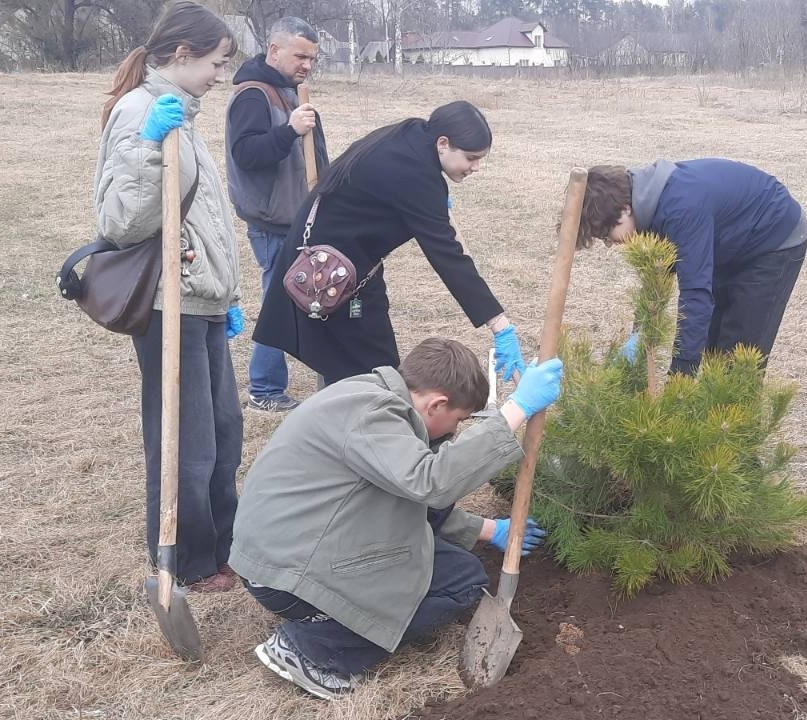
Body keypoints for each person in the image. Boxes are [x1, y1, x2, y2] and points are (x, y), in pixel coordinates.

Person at [229, 337, 562, 699]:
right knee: (455, 584)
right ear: (437, 404)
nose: (454, 433)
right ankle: (313, 649)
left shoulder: (368, 396)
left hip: (290, 553)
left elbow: (404, 502)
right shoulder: (372, 415)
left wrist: (488, 529)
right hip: (287, 577)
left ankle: (325, 618)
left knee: (457, 571)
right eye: (459, 421)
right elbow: (430, 482)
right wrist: (518, 409)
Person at [95, 1, 243, 593]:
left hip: (200, 296)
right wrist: (148, 147)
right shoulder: (141, 113)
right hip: (166, 304)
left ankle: (225, 545)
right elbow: (123, 219)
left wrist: (223, 288)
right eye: (215, 61)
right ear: (182, 55)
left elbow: (199, 212)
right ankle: (186, 562)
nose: (220, 74)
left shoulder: (183, 110)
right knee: (188, 441)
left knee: (225, 430)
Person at [253, 101, 527, 385]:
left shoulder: (412, 135)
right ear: (443, 143)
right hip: (327, 271)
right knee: (371, 371)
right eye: (471, 158)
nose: (476, 167)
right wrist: (499, 325)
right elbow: (448, 258)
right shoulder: (417, 174)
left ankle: (342, 412)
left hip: (350, 265)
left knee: (356, 359)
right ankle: (349, 419)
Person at [575, 159, 807, 376]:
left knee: (739, 355)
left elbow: (695, 294)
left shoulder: (680, 209)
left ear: (624, 209)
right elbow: (657, 281)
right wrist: (640, 334)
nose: (610, 244)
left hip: (773, 237)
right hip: (729, 239)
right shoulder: (646, 208)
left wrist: (681, 375)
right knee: (713, 346)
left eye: (607, 234)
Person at [225, 16, 329, 412]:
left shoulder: (289, 92)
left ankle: (276, 385)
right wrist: (289, 130)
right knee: (279, 302)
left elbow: (312, 159)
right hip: (272, 223)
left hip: (298, 216)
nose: (307, 65)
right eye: (300, 55)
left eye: (312, 59)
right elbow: (247, 156)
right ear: (274, 50)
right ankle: (265, 390)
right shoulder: (254, 95)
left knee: (297, 297)